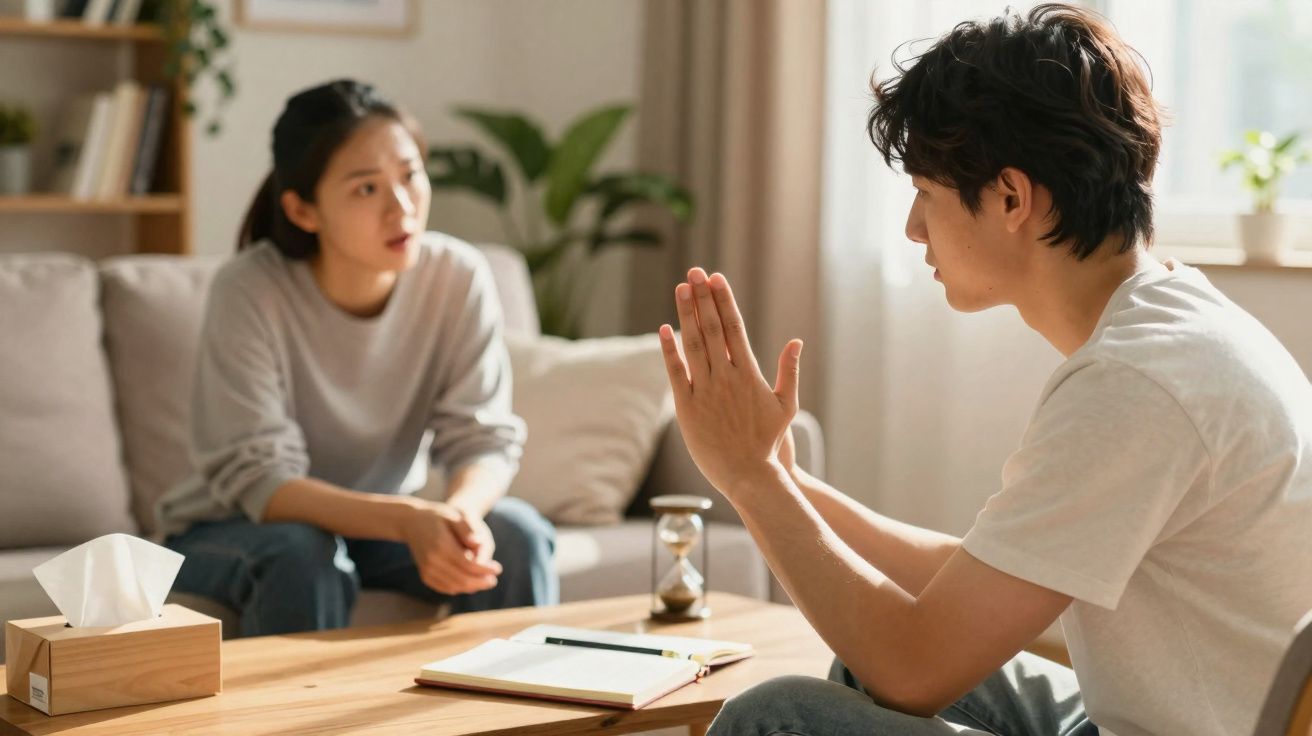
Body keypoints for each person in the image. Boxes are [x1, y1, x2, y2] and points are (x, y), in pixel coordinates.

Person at [656, 5, 1312, 735]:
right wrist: (785, 480)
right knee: (857, 662)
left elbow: (914, 668)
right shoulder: (1177, 327)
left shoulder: (1136, 385)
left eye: (927, 194)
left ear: (1010, 197)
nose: (912, 227)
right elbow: (976, 578)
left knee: (779, 717)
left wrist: (751, 480)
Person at [154, 79, 558, 638]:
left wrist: (458, 518)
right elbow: (265, 483)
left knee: (517, 534)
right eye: (367, 189)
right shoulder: (249, 290)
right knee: (301, 551)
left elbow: (483, 438)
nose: (402, 207)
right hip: (232, 528)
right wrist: (409, 520)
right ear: (302, 209)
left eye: (410, 175)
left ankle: (519, 720)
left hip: (379, 526)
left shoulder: (457, 275)